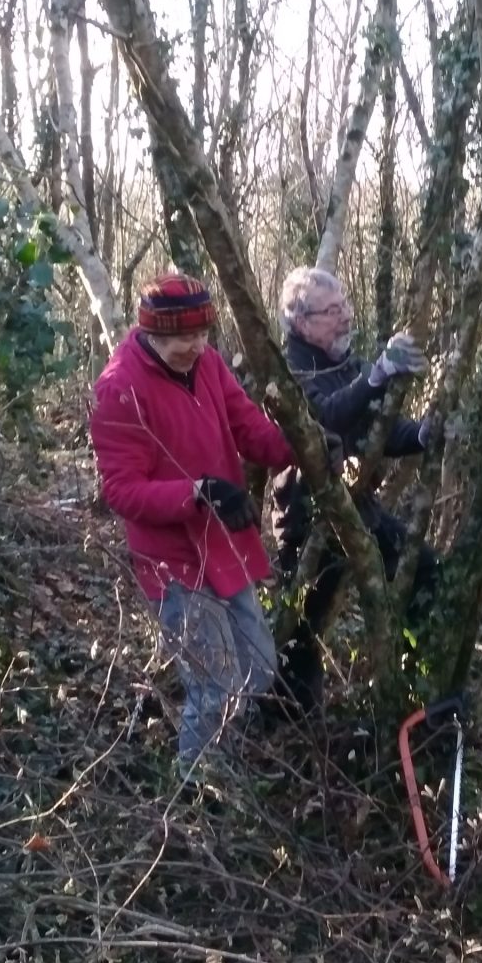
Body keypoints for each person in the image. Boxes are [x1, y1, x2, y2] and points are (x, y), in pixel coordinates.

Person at [89, 271, 296, 774]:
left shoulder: (209, 363)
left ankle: (226, 756)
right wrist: (198, 492)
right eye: (183, 337)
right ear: (151, 334)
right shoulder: (119, 389)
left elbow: (247, 424)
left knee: (259, 665)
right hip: (172, 563)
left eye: (202, 334)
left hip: (223, 545)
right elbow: (120, 490)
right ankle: (196, 790)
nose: (195, 346)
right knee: (215, 680)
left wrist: (302, 449)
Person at [271, 266, 438, 711]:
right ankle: (285, 719)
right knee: (302, 627)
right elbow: (324, 418)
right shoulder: (288, 368)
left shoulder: (344, 360)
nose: (345, 317)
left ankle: (413, 686)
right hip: (308, 518)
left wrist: (420, 434)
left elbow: (373, 429)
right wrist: (377, 375)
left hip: (356, 506)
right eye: (332, 311)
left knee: (423, 570)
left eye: (344, 305)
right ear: (302, 322)